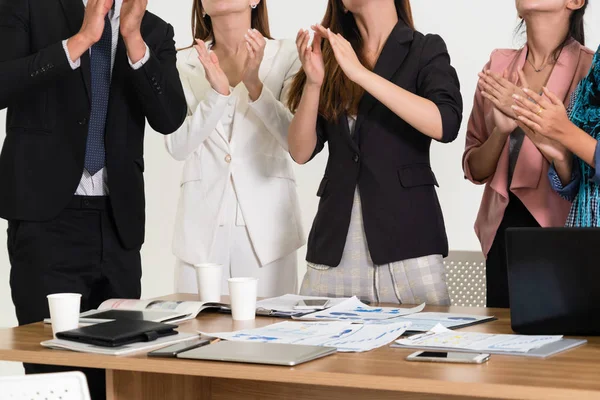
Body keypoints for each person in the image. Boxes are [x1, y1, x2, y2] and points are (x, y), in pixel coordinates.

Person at [0, 0, 187, 397]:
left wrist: (132, 39)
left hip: (117, 228)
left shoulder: (154, 31)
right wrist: (81, 39)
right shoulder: (29, 7)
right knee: (54, 377)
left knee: (118, 376)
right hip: (46, 222)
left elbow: (170, 117)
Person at [286, 0, 462, 305]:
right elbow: (300, 151)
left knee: (413, 347)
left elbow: (445, 123)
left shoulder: (424, 49)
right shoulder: (330, 53)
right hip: (335, 246)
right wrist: (314, 83)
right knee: (324, 348)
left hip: (408, 242)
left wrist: (360, 74)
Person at [166, 0, 304, 297]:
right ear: (201, 6)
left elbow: (296, 142)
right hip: (200, 233)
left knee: (270, 335)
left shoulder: (288, 55)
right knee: (195, 335)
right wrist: (216, 95)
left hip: (267, 234)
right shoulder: (181, 62)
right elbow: (177, 145)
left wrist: (254, 85)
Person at [462, 0, 592, 308]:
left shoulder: (589, 70)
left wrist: (550, 142)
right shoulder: (497, 66)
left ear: (575, 2)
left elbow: (585, 179)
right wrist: (501, 131)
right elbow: (474, 169)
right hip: (502, 231)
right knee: (504, 345)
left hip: (562, 233)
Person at [513, 45, 600, 226]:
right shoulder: (594, 70)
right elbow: (578, 188)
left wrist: (565, 132)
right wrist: (561, 156)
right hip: (583, 235)